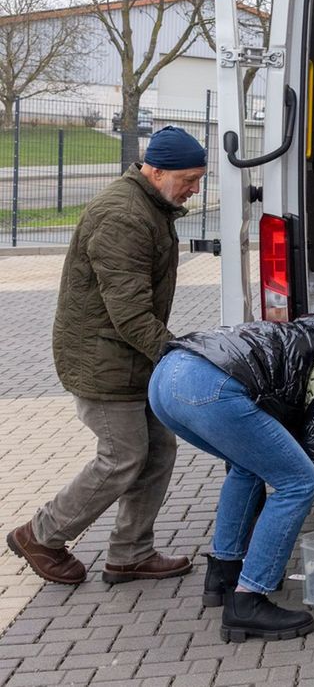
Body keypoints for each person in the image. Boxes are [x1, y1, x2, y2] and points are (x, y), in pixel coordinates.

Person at [7, 127, 207, 587]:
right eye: (189, 179)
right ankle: (41, 535)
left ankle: (131, 553)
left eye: (199, 178)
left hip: (130, 357)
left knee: (157, 450)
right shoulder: (122, 217)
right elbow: (130, 313)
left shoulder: (151, 206)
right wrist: (179, 356)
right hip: (103, 361)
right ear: (155, 172)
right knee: (122, 456)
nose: (195, 188)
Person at [147, 313, 314, 642]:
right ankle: (248, 601)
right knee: (300, 482)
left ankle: (223, 574)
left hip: (166, 378)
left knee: (248, 465)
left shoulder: (310, 334)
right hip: (206, 385)